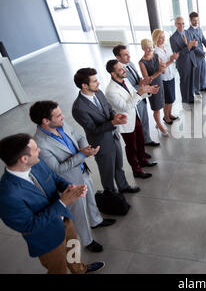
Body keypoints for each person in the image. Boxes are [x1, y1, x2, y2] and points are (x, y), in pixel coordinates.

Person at [0, 133, 105, 274]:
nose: (40, 150)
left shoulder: (37, 163)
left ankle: (80, 270)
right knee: (58, 269)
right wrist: (62, 203)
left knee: (73, 250)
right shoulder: (7, 194)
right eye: (36, 149)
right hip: (47, 239)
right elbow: (29, 226)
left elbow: (55, 178)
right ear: (24, 159)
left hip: (65, 221)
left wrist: (71, 187)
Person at [30, 101, 116, 253]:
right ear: (45, 121)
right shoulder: (40, 144)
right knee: (80, 212)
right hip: (70, 182)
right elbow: (57, 169)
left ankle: (96, 220)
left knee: (90, 198)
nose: (63, 116)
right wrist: (82, 154)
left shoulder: (60, 125)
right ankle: (87, 241)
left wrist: (86, 147)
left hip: (83, 171)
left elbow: (78, 136)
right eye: (58, 115)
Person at [72, 67, 141, 194]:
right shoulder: (78, 108)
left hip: (113, 135)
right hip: (101, 142)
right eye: (94, 81)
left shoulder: (98, 92)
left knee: (119, 165)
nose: (98, 83)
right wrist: (113, 122)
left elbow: (108, 109)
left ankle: (123, 186)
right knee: (107, 170)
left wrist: (115, 115)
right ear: (84, 86)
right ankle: (111, 194)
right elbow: (93, 129)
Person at [105, 59, 158, 179]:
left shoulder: (126, 81)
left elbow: (135, 95)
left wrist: (148, 91)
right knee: (131, 147)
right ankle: (137, 170)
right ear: (113, 74)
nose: (124, 70)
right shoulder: (110, 91)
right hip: (125, 121)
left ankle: (143, 161)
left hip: (135, 117)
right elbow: (125, 107)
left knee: (140, 141)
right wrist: (140, 93)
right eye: (120, 69)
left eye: (122, 67)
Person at [113, 44, 161, 148]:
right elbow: (128, 89)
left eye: (128, 54)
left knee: (145, 120)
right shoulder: (120, 72)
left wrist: (144, 81)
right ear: (118, 57)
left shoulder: (131, 64)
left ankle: (147, 140)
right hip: (133, 100)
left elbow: (138, 79)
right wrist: (142, 86)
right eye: (125, 55)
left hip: (141, 96)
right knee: (137, 126)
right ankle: (141, 146)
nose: (129, 57)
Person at [169, 16, 198, 110]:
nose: (181, 25)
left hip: (191, 60)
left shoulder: (188, 32)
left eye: (183, 23)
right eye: (179, 23)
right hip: (182, 63)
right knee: (184, 82)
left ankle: (190, 98)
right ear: (175, 24)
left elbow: (192, 47)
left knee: (191, 80)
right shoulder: (173, 38)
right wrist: (188, 47)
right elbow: (177, 54)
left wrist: (194, 45)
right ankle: (185, 102)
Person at [152, 29, 180, 125]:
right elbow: (162, 67)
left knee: (172, 98)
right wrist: (172, 60)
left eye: (164, 37)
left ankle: (170, 114)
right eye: (160, 37)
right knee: (168, 99)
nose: (163, 39)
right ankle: (166, 116)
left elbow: (169, 58)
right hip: (164, 78)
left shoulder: (166, 47)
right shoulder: (156, 52)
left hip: (171, 75)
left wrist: (173, 56)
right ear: (156, 39)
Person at [188, 11, 206, 94]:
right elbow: (194, 48)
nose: (196, 22)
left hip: (201, 55)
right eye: (194, 20)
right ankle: (196, 90)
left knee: (203, 71)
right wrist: (205, 53)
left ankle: (203, 87)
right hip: (195, 56)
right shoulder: (189, 32)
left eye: (197, 20)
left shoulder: (199, 29)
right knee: (197, 74)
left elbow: (204, 40)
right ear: (190, 20)